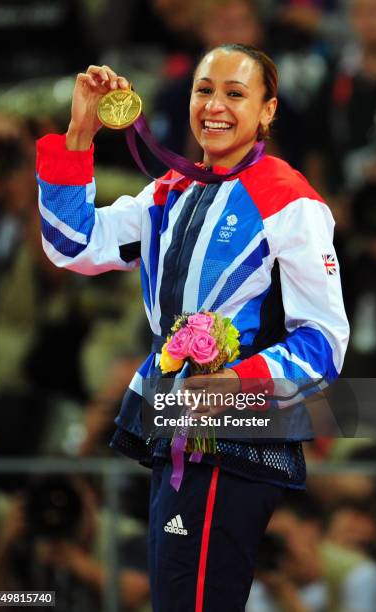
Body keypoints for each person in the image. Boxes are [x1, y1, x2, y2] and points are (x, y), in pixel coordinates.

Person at [35, 44, 349, 611]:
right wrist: (81, 132)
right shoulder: (171, 192)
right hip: (176, 425)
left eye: (236, 93)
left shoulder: (290, 201)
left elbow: (326, 341)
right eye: (205, 90)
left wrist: (239, 382)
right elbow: (71, 244)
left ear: (268, 110)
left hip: (238, 431)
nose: (215, 106)